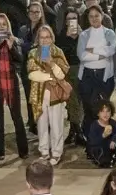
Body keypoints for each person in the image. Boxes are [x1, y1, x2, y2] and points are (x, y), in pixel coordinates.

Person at [25, 22, 71, 163]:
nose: (44, 40)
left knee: (56, 125)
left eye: (47, 37)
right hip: (39, 95)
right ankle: (44, 151)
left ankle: (56, 152)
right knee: (42, 125)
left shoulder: (58, 52)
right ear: (38, 39)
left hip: (55, 94)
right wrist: (50, 77)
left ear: (52, 38)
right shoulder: (33, 53)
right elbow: (32, 74)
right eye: (41, 37)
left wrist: (51, 63)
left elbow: (62, 74)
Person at [0, 11, 28, 160]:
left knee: (17, 116)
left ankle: (23, 150)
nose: (2, 27)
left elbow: (20, 60)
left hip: (11, 82)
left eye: (4, 24)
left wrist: (12, 47)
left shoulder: (12, 41)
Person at [77, 3, 116, 132]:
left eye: (97, 16)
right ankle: (89, 140)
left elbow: (111, 50)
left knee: (103, 109)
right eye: (91, 16)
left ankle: (103, 139)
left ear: (102, 16)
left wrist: (91, 50)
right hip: (87, 75)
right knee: (88, 109)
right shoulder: (84, 35)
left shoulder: (109, 33)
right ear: (88, 18)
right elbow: (81, 55)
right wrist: (100, 56)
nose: (94, 18)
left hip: (104, 75)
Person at [86, 96, 116, 163]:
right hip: (99, 150)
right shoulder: (94, 125)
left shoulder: (111, 122)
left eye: (108, 111)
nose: (105, 114)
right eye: (102, 111)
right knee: (104, 160)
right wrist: (103, 135)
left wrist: (114, 138)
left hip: (110, 149)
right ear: (98, 113)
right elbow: (92, 142)